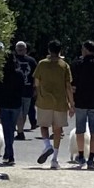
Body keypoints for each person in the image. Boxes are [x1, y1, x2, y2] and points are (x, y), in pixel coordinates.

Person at [34, 40, 74, 169]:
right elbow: (68, 86)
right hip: (60, 101)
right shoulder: (64, 65)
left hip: (44, 100)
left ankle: (47, 145)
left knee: (43, 125)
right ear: (60, 50)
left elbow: (36, 82)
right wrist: (71, 103)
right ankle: (55, 159)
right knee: (57, 130)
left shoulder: (41, 64)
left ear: (49, 50)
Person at [69, 40, 94, 170]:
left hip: (80, 101)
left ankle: (81, 156)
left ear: (85, 49)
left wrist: (71, 101)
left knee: (80, 130)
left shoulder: (77, 64)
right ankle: (91, 158)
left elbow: (72, 85)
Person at [0, 49, 24, 165]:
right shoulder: (19, 73)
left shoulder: (0, 73)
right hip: (16, 104)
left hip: (4, 104)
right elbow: (22, 89)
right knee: (11, 129)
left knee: (7, 130)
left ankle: (9, 153)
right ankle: (8, 152)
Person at [11, 41, 37, 138]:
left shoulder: (14, 60)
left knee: (22, 112)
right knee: (22, 112)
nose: (20, 51)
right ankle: (20, 131)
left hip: (23, 91)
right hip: (22, 91)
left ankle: (19, 130)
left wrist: (35, 88)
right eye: (19, 49)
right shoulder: (31, 61)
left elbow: (35, 76)